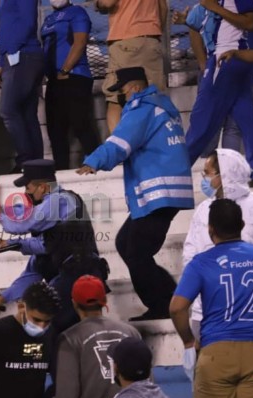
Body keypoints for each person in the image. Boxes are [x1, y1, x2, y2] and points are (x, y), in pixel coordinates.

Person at [77, 67, 194, 321]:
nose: (122, 97)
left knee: (137, 252)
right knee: (126, 244)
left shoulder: (143, 108)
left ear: (137, 87)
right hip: (165, 191)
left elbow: (121, 142)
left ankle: (165, 306)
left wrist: (93, 161)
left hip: (159, 192)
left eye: (123, 91)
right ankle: (169, 300)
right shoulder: (161, 106)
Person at [0, 159, 108, 335]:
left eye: (28, 188)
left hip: (82, 275)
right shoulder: (50, 221)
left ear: (42, 187)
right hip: (69, 277)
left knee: (44, 324)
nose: (26, 193)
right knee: (48, 330)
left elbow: (21, 225)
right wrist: (2, 298)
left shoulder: (60, 200)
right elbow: (35, 267)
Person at [170, 199, 253, 398]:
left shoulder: (201, 263)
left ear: (211, 230)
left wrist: (188, 342)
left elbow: (177, 308)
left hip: (216, 352)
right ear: (242, 225)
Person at [183, 149, 253, 343]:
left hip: (249, 310)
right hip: (207, 310)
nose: (204, 178)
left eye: (207, 173)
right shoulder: (203, 210)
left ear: (224, 175)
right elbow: (190, 252)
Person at [183, 0, 253, 182]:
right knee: (245, 114)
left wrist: (214, 7)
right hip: (239, 58)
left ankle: (176, 169)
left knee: (202, 118)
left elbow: (250, 22)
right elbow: (197, 25)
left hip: (226, 58)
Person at [0, 282, 60, 398]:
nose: (42, 326)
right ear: (21, 307)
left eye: (47, 321)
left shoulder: (50, 334)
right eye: (36, 319)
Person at [172, 4, 243, 158]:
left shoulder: (242, 5)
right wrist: (204, 64)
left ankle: (228, 169)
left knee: (233, 123)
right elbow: (195, 28)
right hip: (215, 67)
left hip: (238, 67)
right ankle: (206, 164)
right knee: (209, 122)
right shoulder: (204, 7)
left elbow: (249, 26)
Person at [55, 275, 141, 398]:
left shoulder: (69, 339)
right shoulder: (131, 332)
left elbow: (67, 394)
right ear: (105, 300)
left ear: (74, 303)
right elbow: (146, 385)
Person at [41, 0, 100, 170]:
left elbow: (80, 41)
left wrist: (65, 69)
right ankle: (60, 173)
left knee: (80, 124)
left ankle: (97, 165)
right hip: (53, 81)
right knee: (56, 132)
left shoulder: (77, 12)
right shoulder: (48, 19)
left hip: (75, 76)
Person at [96, 0, 167, 132]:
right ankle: (155, 146)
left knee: (116, 99)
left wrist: (98, 4)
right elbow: (163, 7)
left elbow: (107, 3)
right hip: (152, 41)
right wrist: (153, 34)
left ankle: (119, 148)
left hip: (125, 41)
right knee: (154, 98)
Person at [0, 0, 43, 173]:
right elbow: (5, 27)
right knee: (27, 113)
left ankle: (26, 160)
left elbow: (28, 21)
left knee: (8, 110)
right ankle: (36, 163)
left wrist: (12, 50)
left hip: (24, 55)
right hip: (15, 57)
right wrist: (2, 61)